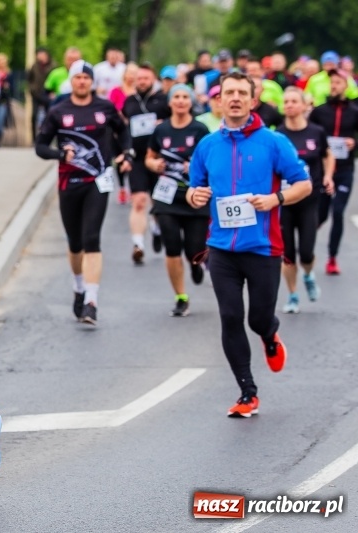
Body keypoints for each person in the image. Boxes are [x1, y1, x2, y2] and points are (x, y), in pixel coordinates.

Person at [187, 72, 312, 418]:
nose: (236, 98)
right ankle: (247, 392)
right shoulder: (207, 145)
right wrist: (194, 195)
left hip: (263, 248)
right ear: (220, 100)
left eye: (243, 93)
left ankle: (269, 334)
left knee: (257, 319)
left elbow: (304, 184)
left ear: (254, 101)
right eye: (230, 93)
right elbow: (193, 187)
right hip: (222, 248)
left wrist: (276, 198)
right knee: (230, 317)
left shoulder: (274, 143)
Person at [35, 60, 132, 325]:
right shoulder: (58, 111)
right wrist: (60, 154)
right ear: (71, 81)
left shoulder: (105, 107)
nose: (81, 82)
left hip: (98, 181)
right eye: (77, 78)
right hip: (69, 183)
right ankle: (79, 287)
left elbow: (124, 131)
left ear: (92, 82)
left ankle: (91, 300)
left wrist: (127, 152)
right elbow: (40, 146)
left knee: (92, 239)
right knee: (75, 243)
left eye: (86, 78)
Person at [145, 84, 211, 316]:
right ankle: (181, 296)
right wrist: (154, 164)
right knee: (172, 247)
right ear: (170, 102)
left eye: (185, 97)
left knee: (194, 249)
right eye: (177, 97)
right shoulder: (161, 130)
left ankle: (196, 264)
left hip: (195, 197)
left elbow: (212, 161)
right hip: (167, 198)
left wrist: (194, 166)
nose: (181, 101)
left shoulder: (200, 130)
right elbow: (149, 157)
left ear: (191, 102)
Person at [277, 86, 335, 313]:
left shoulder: (316, 132)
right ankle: (292, 295)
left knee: (307, 251)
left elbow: (327, 155)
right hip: (285, 200)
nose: (289, 105)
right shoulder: (278, 135)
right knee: (288, 253)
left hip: (311, 199)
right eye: (286, 101)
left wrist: (328, 176)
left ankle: (309, 274)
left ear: (303, 105)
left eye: (294, 101)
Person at [309, 68, 358, 275]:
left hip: (344, 169)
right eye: (332, 83)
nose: (334, 86)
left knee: (338, 212)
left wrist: (353, 142)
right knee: (319, 215)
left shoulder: (354, 112)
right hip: (322, 170)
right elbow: (308, 134)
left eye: (338, 82)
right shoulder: (320, 111)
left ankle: (332, 257)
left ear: (346, 86)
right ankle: (305, 248)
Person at [122, 63, 171, 264]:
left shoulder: (164, 101)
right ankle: (138, 244)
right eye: (139, 78)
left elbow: (177, 122)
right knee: (140, 200)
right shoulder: (129, 102)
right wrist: (124, 154)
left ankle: (157, 229)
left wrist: (164, 125)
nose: (142, 82)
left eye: (146, 78)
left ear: (153, 80)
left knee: (158, 204)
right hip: (138, 158)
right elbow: (122, 130)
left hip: (160, 158)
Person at [110, 62, 140, 204]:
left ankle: (135, 187)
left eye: (135, 73)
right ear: (125, 74)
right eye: (130, 73)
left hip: (136, 130)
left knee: (134, 157)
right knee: (120, 158)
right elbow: (111, 109)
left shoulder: (139, 93)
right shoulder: (116, 91)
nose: (132, 76)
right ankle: (122, 187)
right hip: (119, 129)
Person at [27, 46, 55, 140]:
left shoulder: (53, 66)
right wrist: (32, 89)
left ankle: (47, 136)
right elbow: (29, 78)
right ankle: (34, 138)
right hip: (36, 94)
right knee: (34, 116)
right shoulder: (34, 66)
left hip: (48, 94)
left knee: (49, 116)